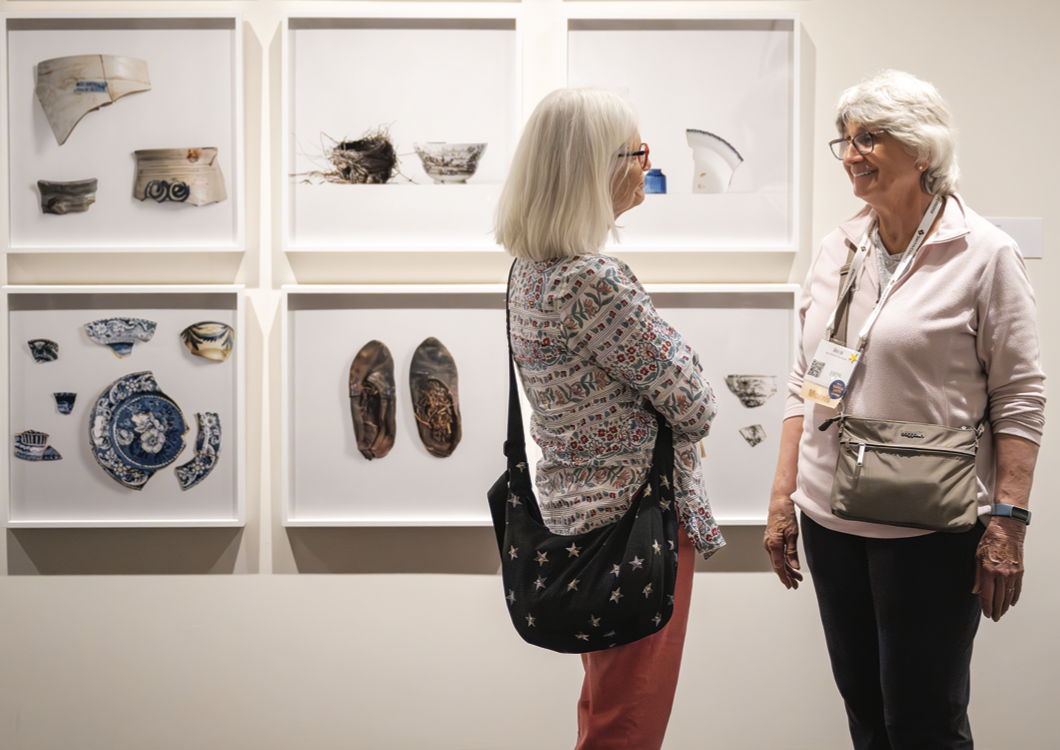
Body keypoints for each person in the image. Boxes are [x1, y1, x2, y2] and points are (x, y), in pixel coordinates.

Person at [764, 69, 1045, 750]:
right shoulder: (840, 247)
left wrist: (1008, 524)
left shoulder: (984, 253)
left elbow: (1021, 397)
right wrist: (782, 498)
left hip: (932, 530)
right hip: (833, 520)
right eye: (846, 139)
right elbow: (808, 375)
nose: (852, 154)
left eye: (870, 138)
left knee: (923, 723)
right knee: (864, 712)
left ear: (922, 151)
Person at [494, 87, 725, 750]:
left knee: (605, 708)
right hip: (635, 526)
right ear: (594, 168)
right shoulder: (595, 280)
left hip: (581, 522)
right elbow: (696, 402)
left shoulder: (529, 273)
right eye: (636, 153)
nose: (645, 165)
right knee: (628, 723)